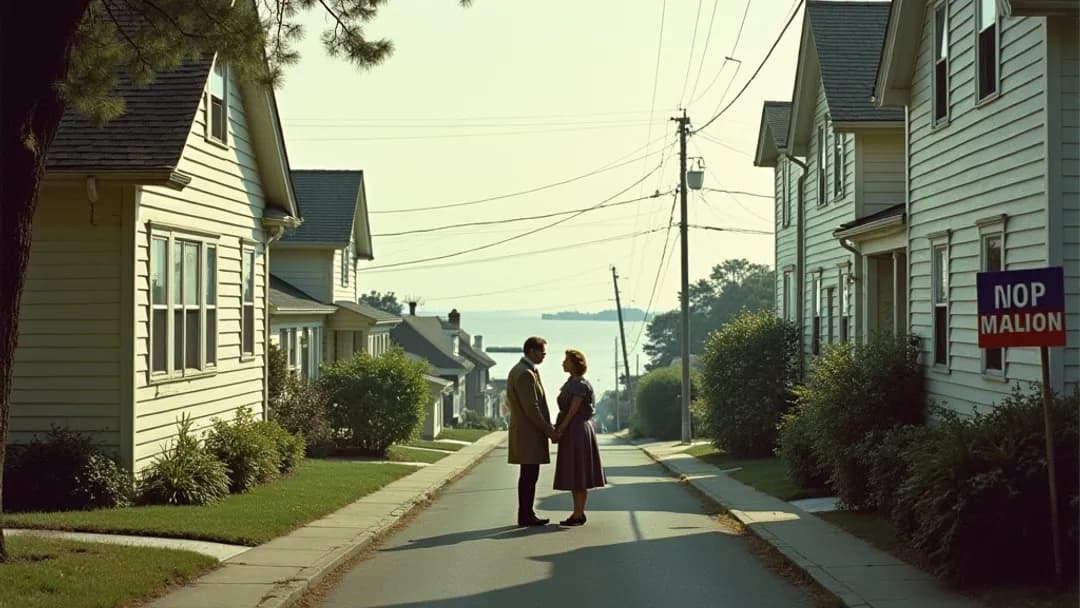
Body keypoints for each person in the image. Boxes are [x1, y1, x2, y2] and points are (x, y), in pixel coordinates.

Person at [506, 336, 558, 527]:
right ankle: (525, 514)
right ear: (531, 351)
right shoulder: (525, 373)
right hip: (528, 433)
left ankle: (527, 512)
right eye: (542, 353)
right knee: (529, 475)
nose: (544, 356)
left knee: (529, 474)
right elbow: (532, 407)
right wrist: (548, 429)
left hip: (528, 431)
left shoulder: (526, 370)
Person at [552, 348, 607, 526]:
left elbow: (573, 410)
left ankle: (578, 513)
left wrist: (560, 429)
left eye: (566, 360)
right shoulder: (572, 382)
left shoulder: (579, 384)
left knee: (578, 472)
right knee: (575, 472)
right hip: (573, 429)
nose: (563, 363)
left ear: (575, 364)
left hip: (577, 430)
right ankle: (577, 512)